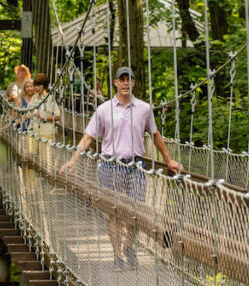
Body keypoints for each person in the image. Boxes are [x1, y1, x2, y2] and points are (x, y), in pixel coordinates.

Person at [59, 66, 182, 270]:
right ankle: (117, 256)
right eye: (121, 79)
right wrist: (73, 159)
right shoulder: (104, 109)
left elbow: (155, 135)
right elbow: (89, 136)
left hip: (136, 167)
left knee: (136, 211)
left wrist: (169, 160)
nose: (125, 83)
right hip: (110, 166)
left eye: (129, 79)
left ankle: (129, 246)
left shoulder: (144, 109)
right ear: (115, 83)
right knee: (115, 213)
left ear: (133, 83)